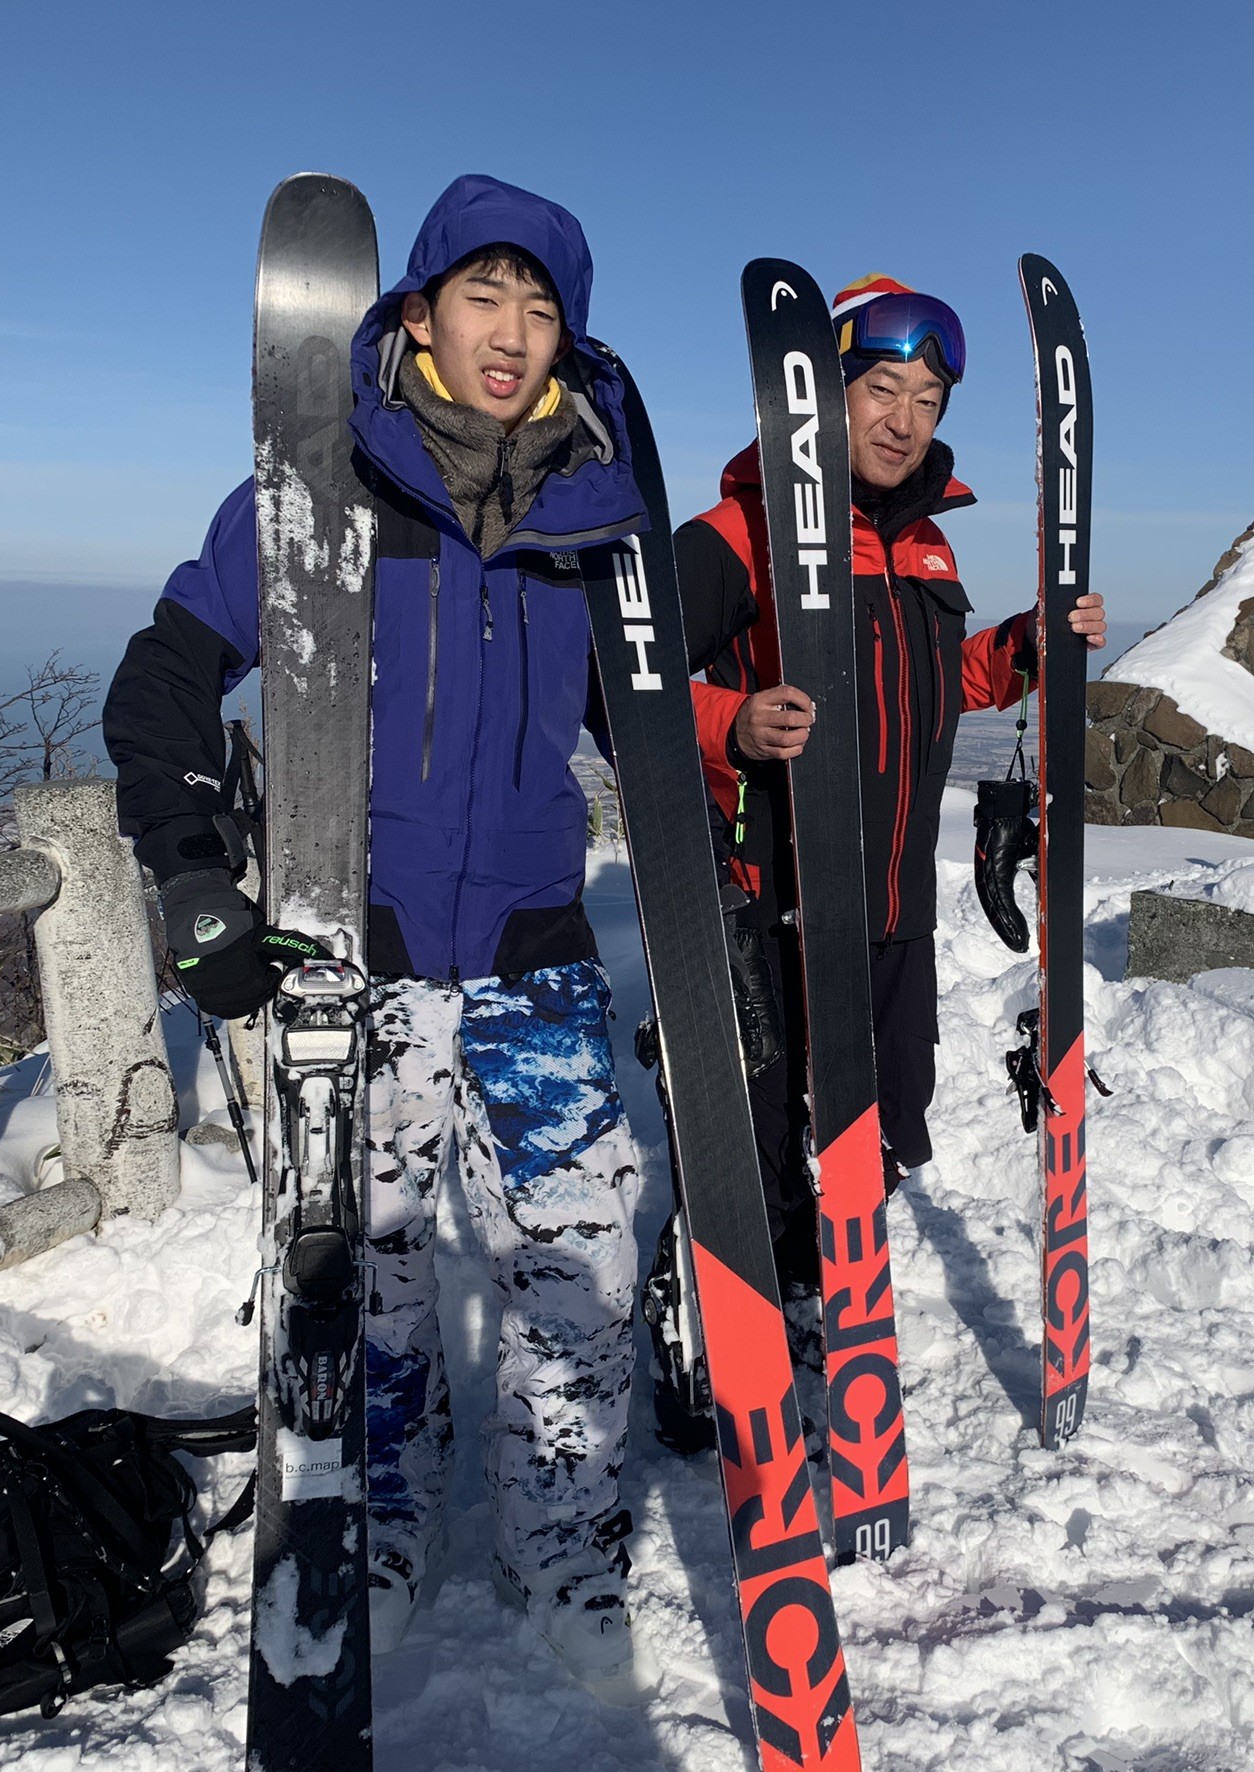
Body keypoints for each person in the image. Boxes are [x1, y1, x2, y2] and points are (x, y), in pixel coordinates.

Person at [101, 175, 649, 1685]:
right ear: (415, 313)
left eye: (542, 308)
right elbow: (159, 689)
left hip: (538, 952)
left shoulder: (591, 517)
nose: (513, 331)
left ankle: (564, 1541)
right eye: (486, 294)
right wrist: (198, 880)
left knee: (583, 1272)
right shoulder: (309, 490)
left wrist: (751, 732)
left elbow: (643, 725)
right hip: (363, 955)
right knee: (376, 1281)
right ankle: (383, 1524)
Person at [673, 273, 1106, 1308]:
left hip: (894, 905)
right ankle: (757, 1309)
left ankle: (835, 1269)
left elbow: (930, 685)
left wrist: (1024, 649)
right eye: (881, 387)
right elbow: (619, 683)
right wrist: (727, 723)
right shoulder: (738, 534)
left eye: (927, 398)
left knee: (888, 1121)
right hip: (772, 896)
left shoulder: (924, 542)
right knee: (766, 1134)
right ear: (819, 390)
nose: (904, 420)